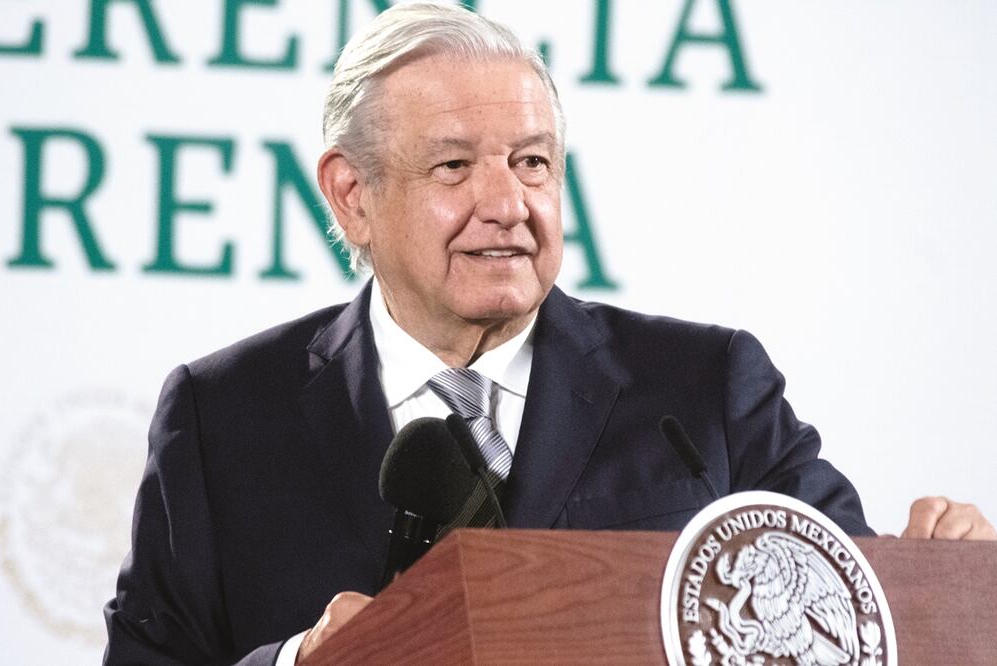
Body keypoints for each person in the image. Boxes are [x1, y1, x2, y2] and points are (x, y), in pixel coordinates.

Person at [103, 3, 996, 665]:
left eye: (532, 162)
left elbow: (847, 614)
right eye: (454, 166)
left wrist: (943, 585)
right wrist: (300, 662)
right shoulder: (224, 417)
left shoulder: (704, 390)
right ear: (351, 193)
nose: (507, 205)